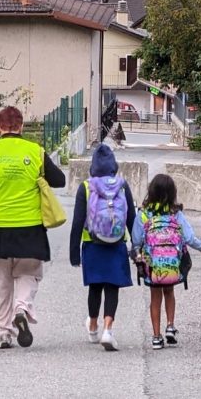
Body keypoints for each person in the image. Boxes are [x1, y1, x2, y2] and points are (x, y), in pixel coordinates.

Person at [0, 106, 65, 349]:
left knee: (0, 283)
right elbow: (60, 180)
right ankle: (22, 308)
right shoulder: (35, 151)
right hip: (29, 229)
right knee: (29, 273)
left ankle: (4, 334)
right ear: (21, 127)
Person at [69, 144, 136, 351]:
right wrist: (137, 247)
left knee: (95, 287)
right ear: (114, 167)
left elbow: (78, 221)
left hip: (92, 243)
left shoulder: (86, 187)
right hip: (117, 243)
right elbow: (131, 219)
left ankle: (93, 326)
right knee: (112, 287)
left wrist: (74, 253)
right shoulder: (123, 186)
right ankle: (108, 329)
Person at [132, 174, 201, 350]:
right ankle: (170, 326)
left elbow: (136, 242)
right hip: (172, 264)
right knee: (169, 292)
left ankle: (156, 337)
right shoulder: (176, 214)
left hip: (152, 266)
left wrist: (137, 255)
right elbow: (188, 237)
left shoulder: (143, 215)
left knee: (155, 298)